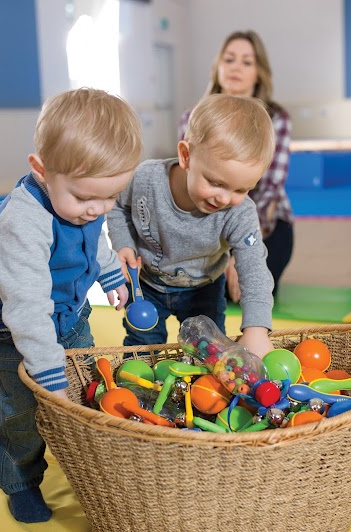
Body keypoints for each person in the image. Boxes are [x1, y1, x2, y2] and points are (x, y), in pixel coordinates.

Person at [0, 88, 141, 523]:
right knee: (25, 410)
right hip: (7, 332)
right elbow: (26, 311)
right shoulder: (22, 224)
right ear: (41, 170)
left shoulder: (85, 199)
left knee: (87, 387)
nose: (97, 209)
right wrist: (47, 378)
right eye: (84, 198)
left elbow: (93, 241)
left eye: (111, 196)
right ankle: (20, 480)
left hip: (67, 315)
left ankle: (77, 458)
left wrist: (110, 274)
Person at [108, 93, 276, 358]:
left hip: (203, 291)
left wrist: (256, 329)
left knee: (209, 357)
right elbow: (117, 205)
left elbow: (254, 270)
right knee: (141, 350)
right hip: (146, 285)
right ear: (186, 156)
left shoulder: (240, 212)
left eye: (241, 189)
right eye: (216, 183)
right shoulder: (145, 179)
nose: (224, 199)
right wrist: (123, 244)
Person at [180, 30, 293, 300]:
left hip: (265, 223)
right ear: (217, 67)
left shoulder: (276, 119)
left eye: (246, 62)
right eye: (229, 59)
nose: (236, 68)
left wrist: (241, 251)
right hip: (207, 220)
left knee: (249, 290)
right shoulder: (192, 117)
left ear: (258, 73)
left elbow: (268, 190)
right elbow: (189, 180)